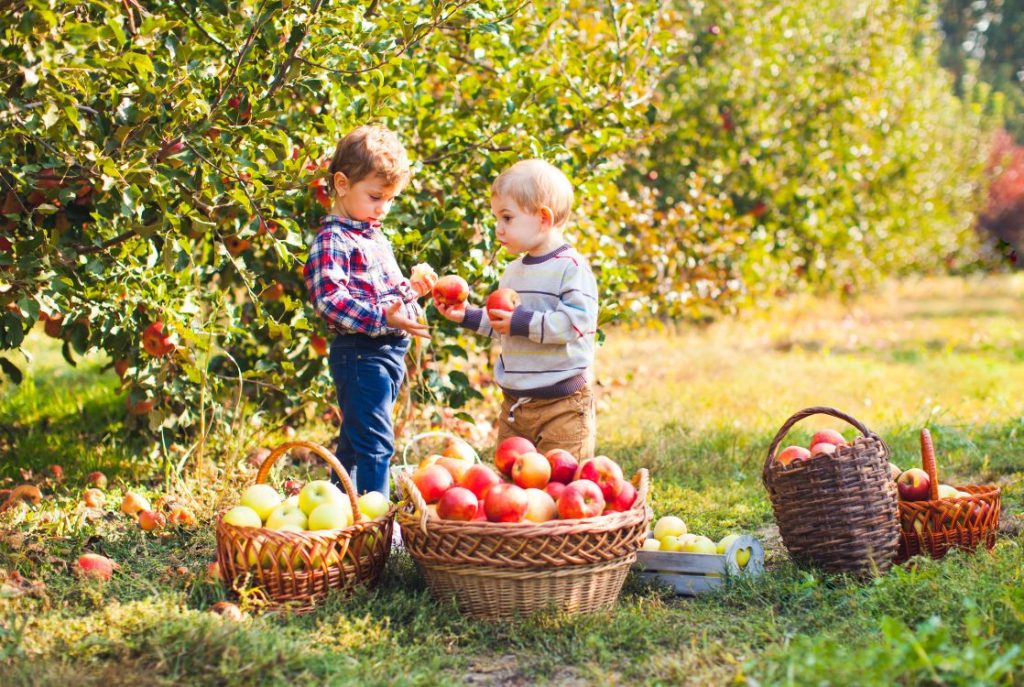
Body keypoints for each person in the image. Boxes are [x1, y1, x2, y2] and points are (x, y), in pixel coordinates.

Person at [435, 159, 599, 459]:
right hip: (515, 405)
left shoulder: (571, 268)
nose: (498, 228)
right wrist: (468, 315)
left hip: (562, 403)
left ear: (543, 219)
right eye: (497, 218)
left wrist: (521, 322)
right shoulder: (513, 271)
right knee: (512, 489)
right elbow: (506, 326)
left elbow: (577, 323)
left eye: (507, 218)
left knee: (562, 485)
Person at [304, 125, 434, 496]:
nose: (383, 208)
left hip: (387, 354)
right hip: (361, 355)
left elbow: (385, 297)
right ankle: (377, 522)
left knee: (356, 436)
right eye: (376, 196)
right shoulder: (333, 239)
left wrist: (414, 290)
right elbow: (330, 300)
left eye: (390, 199)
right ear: (342, 184)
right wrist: (382, 319)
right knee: (377, 441)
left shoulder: (371, 232)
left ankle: (340, 506)